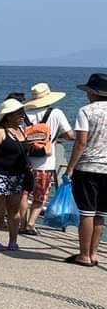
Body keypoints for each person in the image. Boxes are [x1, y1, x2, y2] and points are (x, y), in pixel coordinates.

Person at [64, 73, 107, 266]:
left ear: (92, 92)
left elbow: (81, 142)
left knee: (87, 213)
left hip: (89, 167)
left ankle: (83, 255)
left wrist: (70, 167)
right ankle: (94, 253)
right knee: (100, 214)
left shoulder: (86, 111)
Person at [20, 82, 74, 234]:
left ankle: (21, 224)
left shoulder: (25, 114)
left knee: (23, 194)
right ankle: (31, 224)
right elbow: (70, 135)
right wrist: (56, 136)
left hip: (26, 161)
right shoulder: (56, 113)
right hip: (45, 163)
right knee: (40, 197)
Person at [0, 97, 30, 252]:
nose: (22, 116)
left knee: (14, 210)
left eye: (23, 113)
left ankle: (13, 241)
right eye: (19, 113)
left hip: (17, 176)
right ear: (9, 115)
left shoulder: (22, 130)